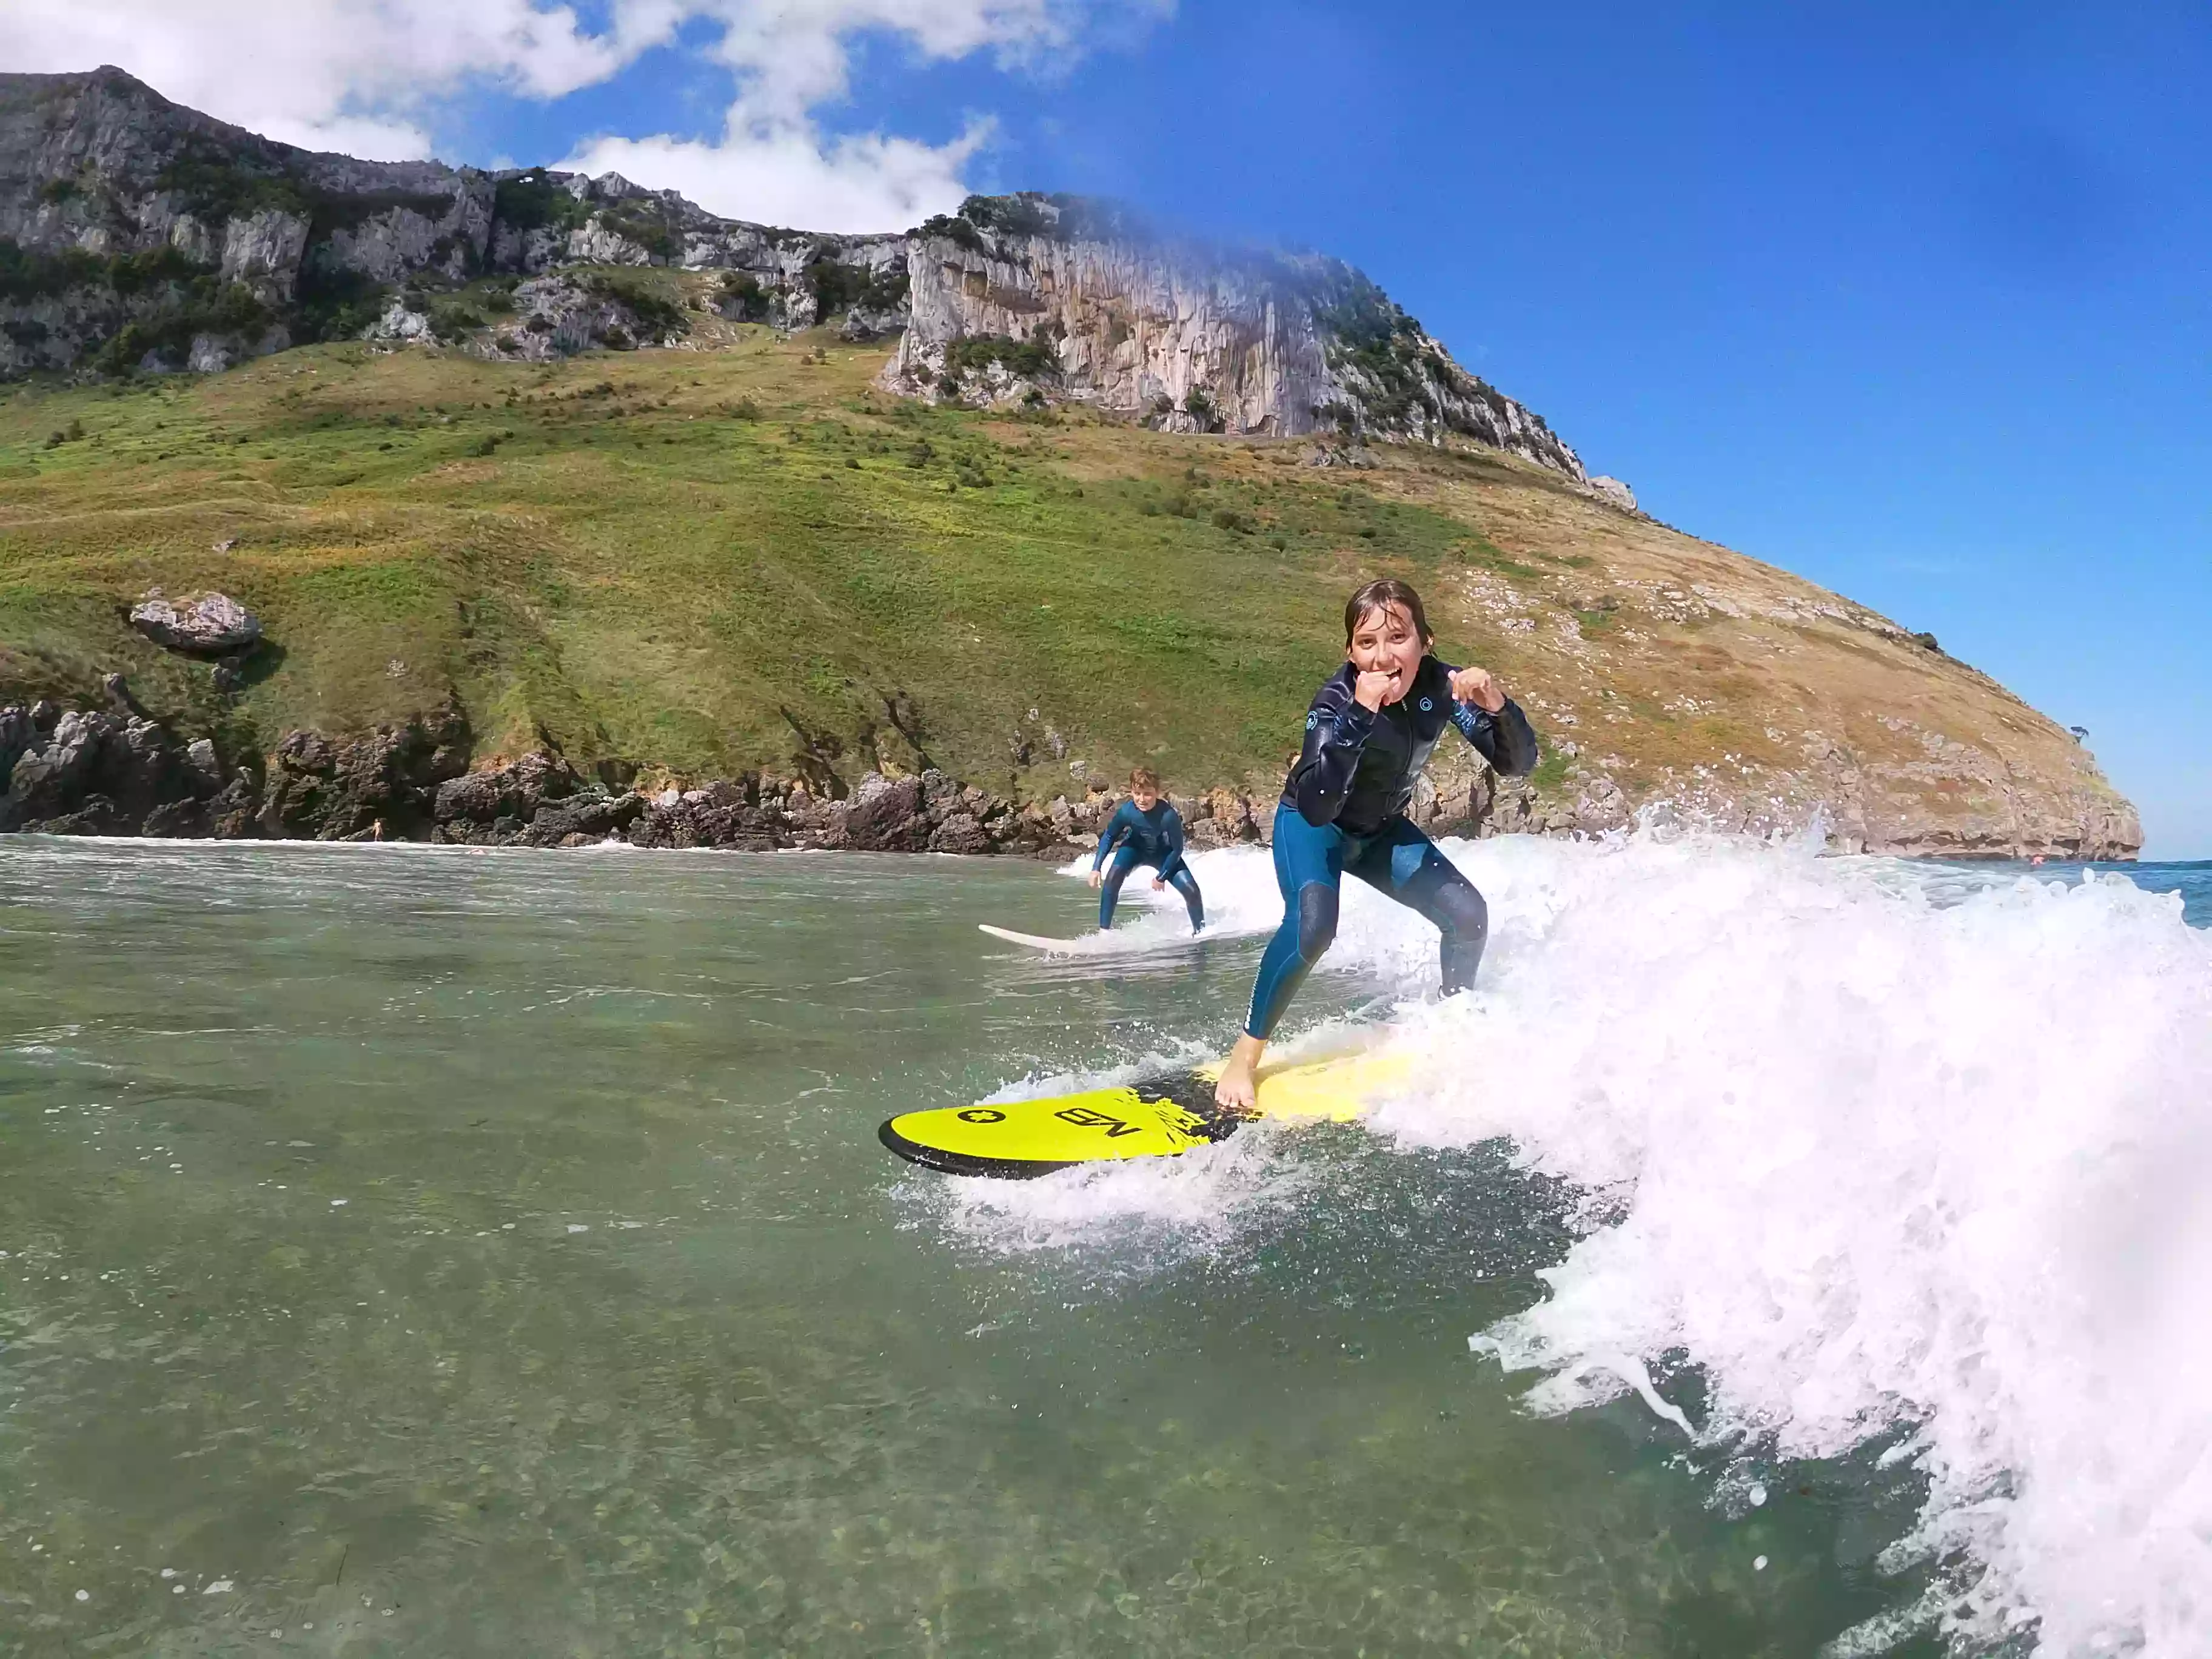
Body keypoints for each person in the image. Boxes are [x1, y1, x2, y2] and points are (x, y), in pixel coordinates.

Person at [1215, 577, 1538, 1110]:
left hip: (1381, 831)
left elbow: (1517, 764)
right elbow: (1318, 803)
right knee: (1314, 927)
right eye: (1367, 644)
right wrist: (1361, 716)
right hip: (1314, 827)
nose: (1383, 657)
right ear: (1350, 652)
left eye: (1398, 638)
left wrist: (1498, 706)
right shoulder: (1337, 700)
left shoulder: (1443, 687)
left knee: (1468, 916)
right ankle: (1243, 1056)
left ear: (1425, 642)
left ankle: (1455, 1024)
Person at [1088, 767, 1204, 933]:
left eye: (1148, 794)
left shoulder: (1168, 816)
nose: (1142, 799)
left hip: (1164, 854)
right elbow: (1109, 836)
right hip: (1134, 850)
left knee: (1192, 890)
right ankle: (1104, 933)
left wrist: (1162, 876)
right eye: (1137, 793)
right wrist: (1096, 868)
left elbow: (1177, 849)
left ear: (1157, 792)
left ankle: (1200, 933)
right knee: (1113, 878)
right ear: (1132, 792)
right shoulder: (1127, 811)